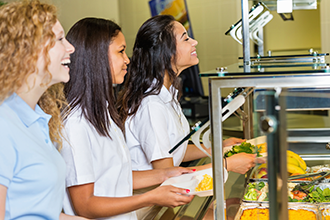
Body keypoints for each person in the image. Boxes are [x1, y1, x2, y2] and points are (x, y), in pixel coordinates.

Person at [60, 17, 195, 220]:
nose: (127, 60)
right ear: (98, 58)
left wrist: (165, 175)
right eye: (120, 51)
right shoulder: (76, 123)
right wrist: (151, 197)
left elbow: (117, 177)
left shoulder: (103, 113)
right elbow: (85, 205)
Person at [117, 14, 264, 174]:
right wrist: (226, 164)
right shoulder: (151, 105)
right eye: (185, 39)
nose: (195, 42)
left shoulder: (167, 95)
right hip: (152, 196)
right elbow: (165, 173)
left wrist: (220, 148)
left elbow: (174, 152)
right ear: (165, 51)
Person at [0, 1, 87, 219]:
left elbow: (43, 212)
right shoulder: (4, 123)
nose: (71, 48)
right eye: (59, 39)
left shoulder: (38, 120)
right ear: (29, 49)